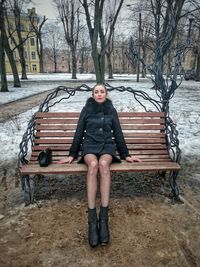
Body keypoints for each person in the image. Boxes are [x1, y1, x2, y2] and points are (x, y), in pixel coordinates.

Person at [59, 84, 141, 248]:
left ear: (106, 94)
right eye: (96, 92)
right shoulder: (86, 110)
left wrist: (126, 155)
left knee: (104, 164)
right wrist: (72, 154)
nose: (99, 94)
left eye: (102, 91)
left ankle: (103, 218)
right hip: (89, 146)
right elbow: (79, 132)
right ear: (92, 94)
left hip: (106, 147)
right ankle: (91, 220)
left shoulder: (111, 110)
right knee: (94, 165)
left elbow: (118, 133)